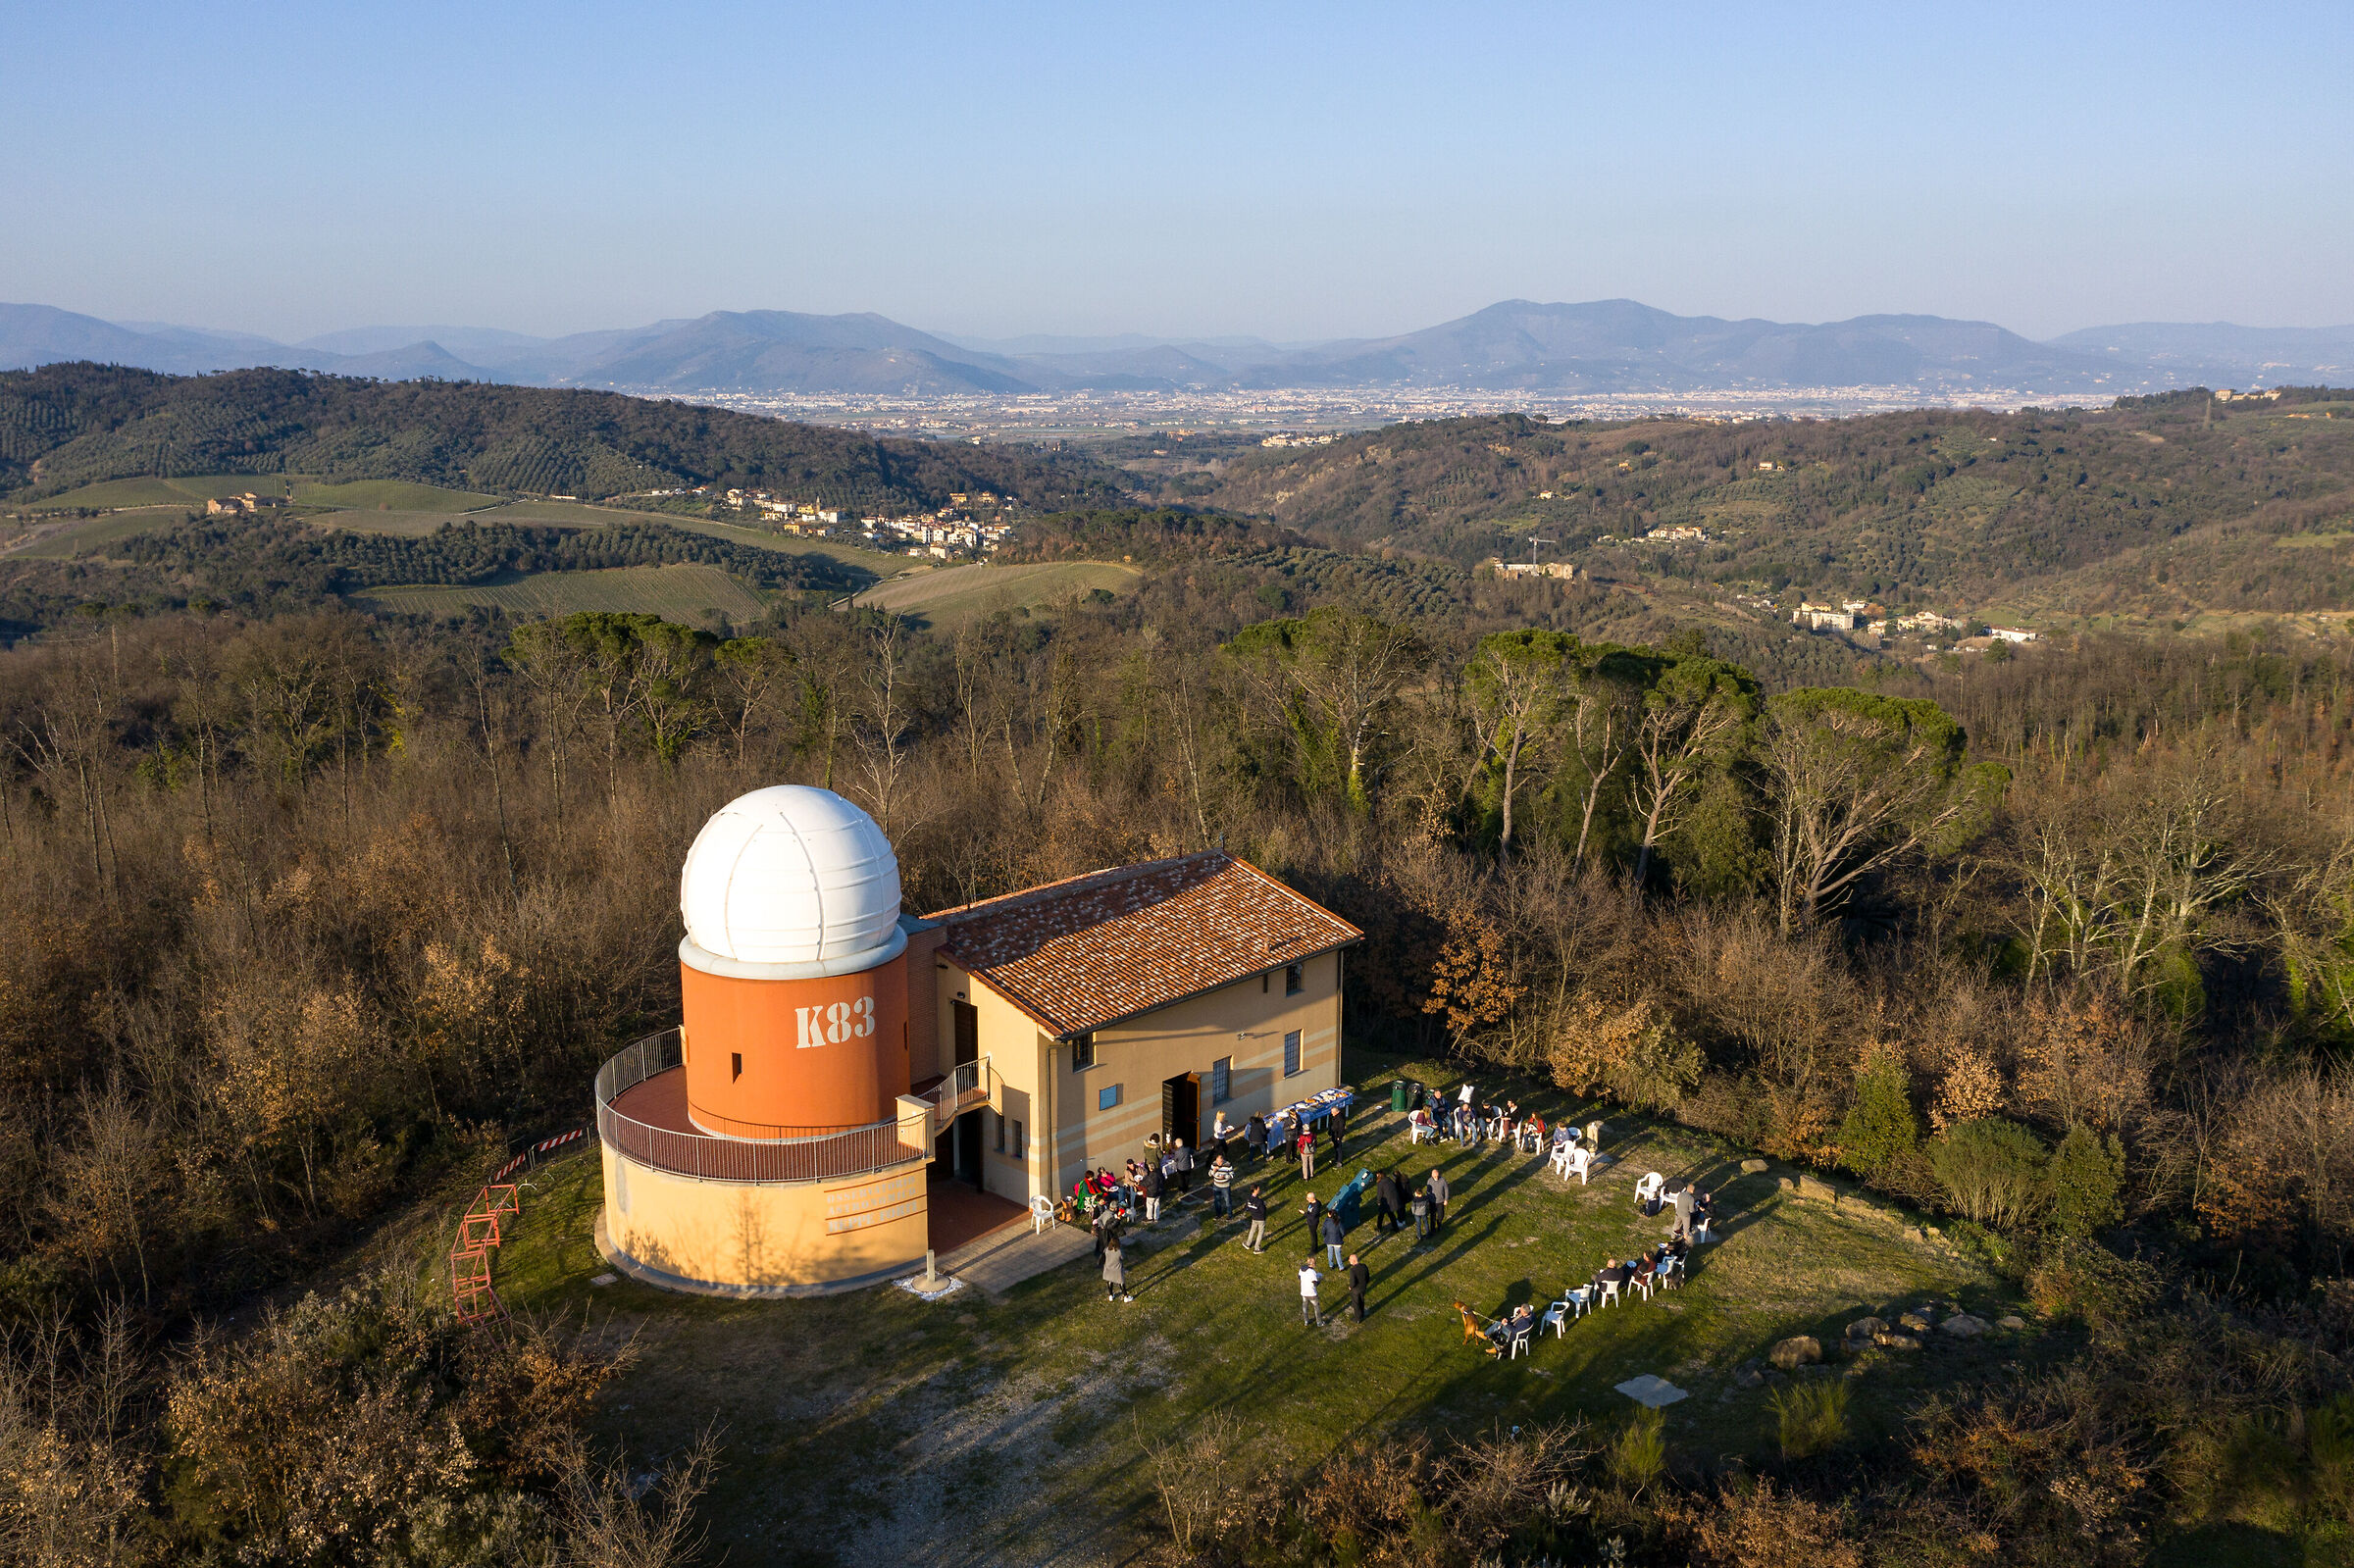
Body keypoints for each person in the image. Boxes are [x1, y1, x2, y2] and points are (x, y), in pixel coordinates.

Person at [1103, 1235, 1130, 1302]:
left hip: (1108, 1268)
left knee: (1110, 1281)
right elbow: (1123, 1258)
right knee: (1121, 1282)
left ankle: (1111, 1295)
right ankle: (1126, 1296)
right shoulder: (1119, 1251)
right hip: (1117, 1269)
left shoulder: (1106, 1249)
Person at [1243, 1185, 1268, 1252]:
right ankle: (1257, 1248)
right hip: (1261, 1219)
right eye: (1258, 1189)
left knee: (1252, 1230)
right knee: (1260, 1232)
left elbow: (1246, 1208)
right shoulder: (1259, 1201)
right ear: (1255, 1190)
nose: (1259, 1190)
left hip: (1254, 1217)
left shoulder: (1248, 1199)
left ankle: (1248, 1244)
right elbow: (1263, 1211)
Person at [1347, 1252, 1370, 1322]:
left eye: (1350, 1259)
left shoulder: (1352, 1270)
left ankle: (1357, 1318)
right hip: (1363, 1288)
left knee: (1356, 1304)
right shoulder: (1364, 1266)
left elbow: (1353, 1282)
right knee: (1362, 1301)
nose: (1349, 1260)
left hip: (1356, 1290)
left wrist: (1350, 1287)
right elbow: (1368, 1277)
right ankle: (1362, 1314)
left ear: (1353, 1261)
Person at [1209, 1152, 1235, 1217]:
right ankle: (1218, 1214)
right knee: (1217, 1201)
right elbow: (1209, 1174)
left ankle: (1230, 1215)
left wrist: (1226, 1176)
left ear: (1223, 1160)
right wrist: (1213, 1171)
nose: (1219, 1163)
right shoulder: (1214, 1164)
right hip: (1216, 1185)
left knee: (1228, 1201)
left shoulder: (1228, 1164)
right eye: (1217, 1161)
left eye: (1220, 1162)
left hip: (1225, 1186)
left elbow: (1232, 1175)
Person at [1298, 1258, 1322, 1326]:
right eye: (1315, 1263)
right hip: (1312, 1293)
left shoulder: (1301, 1269)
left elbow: (1299, 1277)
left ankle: (1306, 1321)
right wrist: (1320, 1279)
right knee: (1316, 1307)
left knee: (1305, 1307)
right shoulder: (1312, 1272)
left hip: (1304, 1292)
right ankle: (1319, 1322)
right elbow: (1315, 1284)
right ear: (1312, 1264)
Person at [1425, 1167, 1449, 1235]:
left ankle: (1439, 1224)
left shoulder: (1443, 1180)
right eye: (1435, 1176)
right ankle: (1432, 1229)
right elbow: (1428, 1191)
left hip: (1440, 1201)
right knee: (1432, 1215)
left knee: (1441, 1215)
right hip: (1432, 1201)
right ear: (1432, 1175)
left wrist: (1446, 1199)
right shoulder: (1429, 1181)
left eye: (1437, 1176)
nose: (1436, 1177)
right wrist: (1428, 1200)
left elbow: (1446, 1190)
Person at [1142, 1158, 1164, 1223]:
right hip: (1159, 1191)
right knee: (1157, 1204)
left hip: (1152, 1192)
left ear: (1150, 1168)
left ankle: (1149, 1218)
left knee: (1149, 1205)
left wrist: (1139, 1183)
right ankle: (1156, 1217)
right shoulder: (1159, 1172)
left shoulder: (1152, 1175)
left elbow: (1146, 1183)